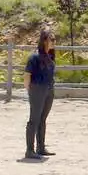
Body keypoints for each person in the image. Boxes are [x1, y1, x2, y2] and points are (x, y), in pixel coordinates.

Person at [23, 29, 57, 159]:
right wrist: (31, 91)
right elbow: (27, 76)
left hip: (49, 89)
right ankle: (29, 150)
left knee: (43, 119)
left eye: (54, 39)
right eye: (51, 39)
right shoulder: (34, 57)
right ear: (44, 41)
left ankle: (41, 147)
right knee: (34, 120)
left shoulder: (51, 56)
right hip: (37, 89)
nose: (54, 42)